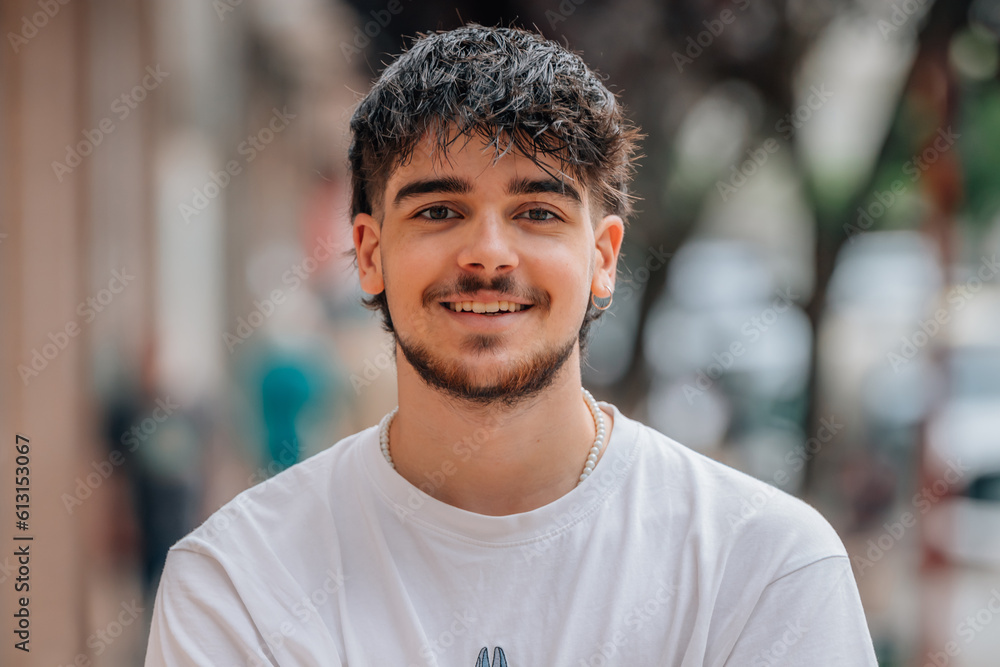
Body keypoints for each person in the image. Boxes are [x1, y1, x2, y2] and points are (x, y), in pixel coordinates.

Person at [145, 24, 878, 666]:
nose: (489, 254)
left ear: (603, 257)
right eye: (439, 210)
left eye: (536, 211)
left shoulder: (762, 568)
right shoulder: (238, 582)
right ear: (368, 253)